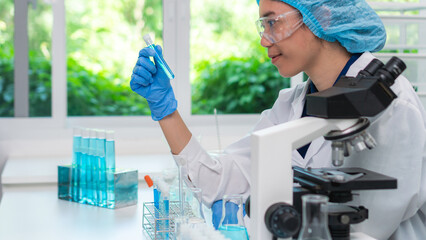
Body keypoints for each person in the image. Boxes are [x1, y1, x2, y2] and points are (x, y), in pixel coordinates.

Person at [130, 0, 426, 239]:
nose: (263, 39)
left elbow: (365, 230)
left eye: (273, 22)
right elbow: (219, 182)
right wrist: (165, 110)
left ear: (320, 15)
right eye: (262, 26)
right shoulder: (292, 102)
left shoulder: (390, 105)